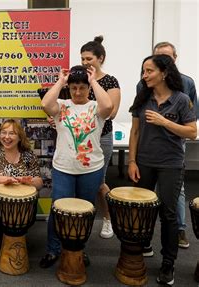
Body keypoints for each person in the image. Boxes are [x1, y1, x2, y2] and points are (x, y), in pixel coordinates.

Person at [128, 54, 197, 285]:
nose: (145, 75)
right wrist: (132, 161)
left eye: (149, 71)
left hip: (171, 164)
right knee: (143, 210)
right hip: (144, 162)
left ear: (164, 73)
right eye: (143, 71)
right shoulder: (142, 98)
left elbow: (192, 132)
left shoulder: (182, 99)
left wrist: (164, 121)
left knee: (168, 214)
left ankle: (169, 263)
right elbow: (135, 132)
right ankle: (140, 248)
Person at [39, 65, 113, 268]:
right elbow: (46, 103)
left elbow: (109, 107)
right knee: (58, 210)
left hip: (91, 170)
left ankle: (79, 248)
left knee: (86, 211)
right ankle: (53, 249)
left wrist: (93, 81)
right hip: (64, 168)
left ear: (88, 88)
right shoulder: (61, 105)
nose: (78, 92)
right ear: (69, 89)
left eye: (82, 87)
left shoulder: (96, 108)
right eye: (74, 88)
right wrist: (61, 81)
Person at [80, 36, 121, 239]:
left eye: (89, 59)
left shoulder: (109, 81)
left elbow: (111, 112)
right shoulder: (79, 78)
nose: (85, 63)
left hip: (101, 137)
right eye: (83, 59)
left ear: (101, 58)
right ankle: (80, 216)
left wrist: (93, 82)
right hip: (79, 138)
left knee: (99, 181)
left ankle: (108, 219)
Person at [0, 119, 43, 234]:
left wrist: (30, 181)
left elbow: (39, 182)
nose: (6, 137)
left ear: (20, 137)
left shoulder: (29, 154)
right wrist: (6, 180)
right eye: (3, 132)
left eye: (12, 133)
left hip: (23, 204)